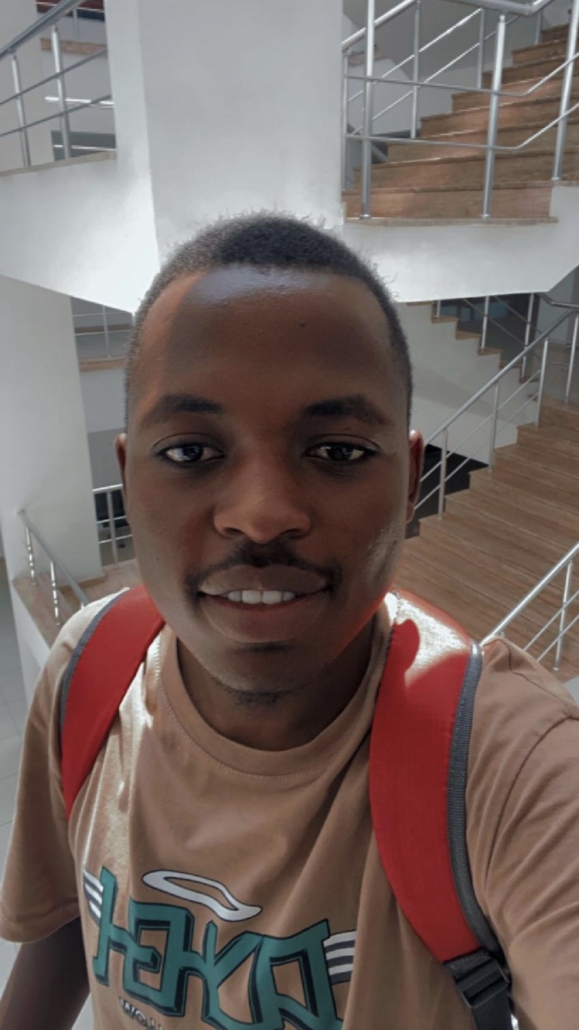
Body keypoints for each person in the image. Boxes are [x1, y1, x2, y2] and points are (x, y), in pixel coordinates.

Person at [0, 214, 578, 1030]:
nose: (262, 514)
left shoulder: (511, 771)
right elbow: (66, 919)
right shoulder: (87, 669)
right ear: (129, 480)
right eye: (191, 452)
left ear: (409, 482)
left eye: (337, 451)